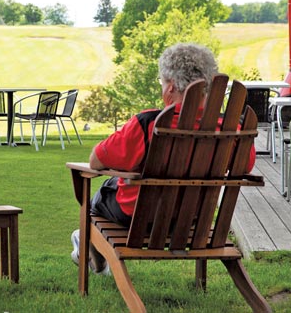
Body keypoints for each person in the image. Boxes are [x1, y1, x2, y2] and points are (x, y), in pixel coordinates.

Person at [70, 43, 256, 274]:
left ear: (170, 87)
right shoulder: (232, 130)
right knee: (110, 189)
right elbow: (246, 165)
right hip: (194, 220)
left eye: (162, 82)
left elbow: (97, 161)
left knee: (101, 195)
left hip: (139, 219)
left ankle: (87, 248)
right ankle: (90, 249)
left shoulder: (148, 123)